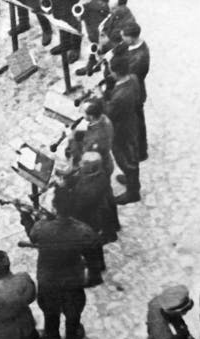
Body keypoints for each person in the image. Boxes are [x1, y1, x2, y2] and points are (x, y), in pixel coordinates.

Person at [21, 187, 103, 339]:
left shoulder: (42, 227)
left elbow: (32, 235)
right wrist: (92, 278)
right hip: (72, 280)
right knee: (73, 313)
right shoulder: (84, 231)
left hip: (48, 279)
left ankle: (52, 336)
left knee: (50, 310)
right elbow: (95, 260)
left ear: (54, 206)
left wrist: (25, 217)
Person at [99, 55, 140, 205]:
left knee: (125, 160)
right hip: (131, 123)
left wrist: (102, 95)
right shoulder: (133, 79)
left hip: (121, 130)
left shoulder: (120, 97)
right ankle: (130, 179)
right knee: (129, 158)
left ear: (116, 72)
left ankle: (133, 192)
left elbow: (109, 112)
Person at [66, 151, 119, 245]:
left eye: (83, 163)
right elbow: (79, 177)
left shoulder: (89, 189)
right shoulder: (98, 172)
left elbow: (78, 207)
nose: (80, 164)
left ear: (90, 168)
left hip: (90, 216)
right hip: (100, 205)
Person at [119, 22, 149, 162]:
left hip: (134, 94)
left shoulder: (139, 57)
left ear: (131, 38)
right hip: (135, 90)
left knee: (135, 126)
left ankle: (139, 154)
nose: (122, 39)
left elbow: (127, 74)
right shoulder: (135, 46)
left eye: (124, 37)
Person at [74, 0, 110, 75]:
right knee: (93, 39)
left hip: (100, 10)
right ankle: (92, 61)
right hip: (90, 13)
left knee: (102, 42)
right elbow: (79, 17)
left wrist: (90, 4)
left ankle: (106, 67)